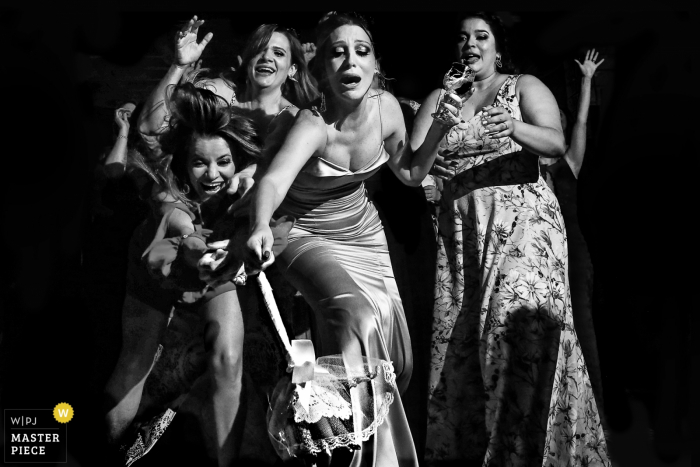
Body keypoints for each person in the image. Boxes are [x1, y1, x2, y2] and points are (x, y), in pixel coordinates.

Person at [244, 11, 462, 467]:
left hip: (363, 232)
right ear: (323, 70)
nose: (350, 60)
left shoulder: (387, 108)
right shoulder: (313, 125)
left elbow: (408, 172)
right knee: (357, 317)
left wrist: (439, 126)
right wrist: (261, 224)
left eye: (361, 51)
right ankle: (367, 458)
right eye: (337, 52)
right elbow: (272, 182)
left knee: (395, 360)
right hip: (303, 232)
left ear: (375, 66)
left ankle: (334, 434)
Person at [414, 13, 610, 466]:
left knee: (514, 336)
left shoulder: (522, 86)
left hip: (525, 227)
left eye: (481, 36)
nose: (470, 44)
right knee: (466, 353)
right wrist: (431, 165)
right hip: (462, 235)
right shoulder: (440, 99)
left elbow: (558, 145)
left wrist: (514, 128)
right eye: (461, 37)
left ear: (497, 48)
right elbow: (411, 166)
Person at [103, 82, 261, 467]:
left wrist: (254, 174)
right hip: (160, 264)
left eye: (223, 162)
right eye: (199, 162)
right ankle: (100, 456)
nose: (211, 174)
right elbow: (176, 222)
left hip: (214, 264)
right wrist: (190, 241)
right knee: (135, 364)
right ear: (183, 163)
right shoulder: (166, 187)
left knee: (227, 359)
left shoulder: (247, 179)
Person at [540, 48, 606, 425]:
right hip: (540, 263)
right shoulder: (520, 167)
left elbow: (580, 123)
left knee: (584, 331)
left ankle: (593, 413)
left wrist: (586, 81)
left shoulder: (566, 165)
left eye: (558, 119)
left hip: (574, 257)